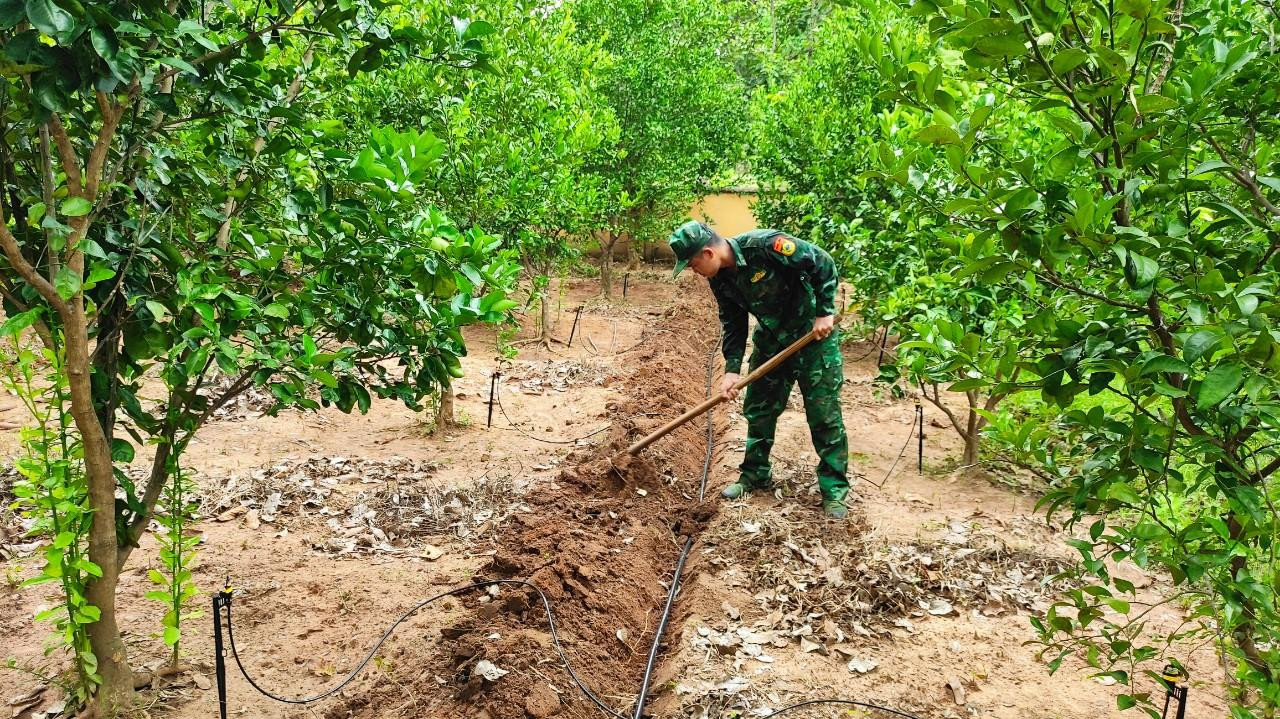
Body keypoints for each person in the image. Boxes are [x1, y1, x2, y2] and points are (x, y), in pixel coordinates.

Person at [668, 220, 850, 519]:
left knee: (823, 414)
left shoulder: (766, 246)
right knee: (759, 408)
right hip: (772, 340)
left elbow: (822, 262)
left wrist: (825, 312)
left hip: (812, 337)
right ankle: (754, 475)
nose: (693, 270)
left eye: (692, 263)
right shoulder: (719, 278)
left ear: (708, 253)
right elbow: (733, 321)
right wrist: (731, 370)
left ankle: (834, 490)